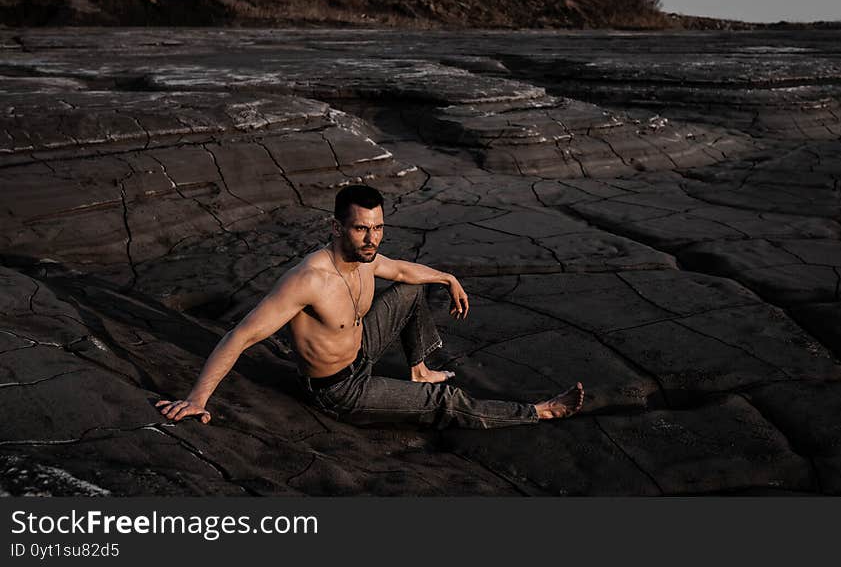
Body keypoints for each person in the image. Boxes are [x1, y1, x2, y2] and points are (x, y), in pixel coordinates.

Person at [156, 184, 583, 429]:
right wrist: (197, 398)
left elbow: (401, 272)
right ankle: (538, 411)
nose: (372, 239)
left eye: (378, 228)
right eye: (362, 229)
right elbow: (241, 335)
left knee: (409, 290)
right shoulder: (308, 280)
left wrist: (448, 278)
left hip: (360, 354)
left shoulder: (368, 256)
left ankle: (418, 367)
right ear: (337, 227)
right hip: (339, 390)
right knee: (443, 400)